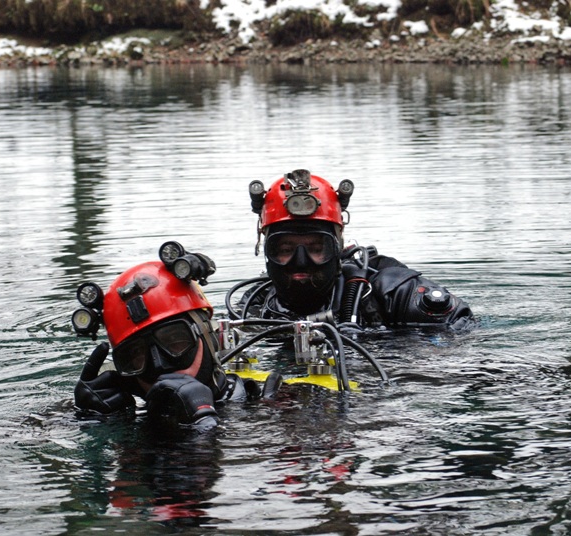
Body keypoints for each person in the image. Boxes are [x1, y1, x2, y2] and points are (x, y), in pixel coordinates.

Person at [227, 169, 474, 329]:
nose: (300, 261)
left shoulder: (387, 292)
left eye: (315, 247)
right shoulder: (257, 305)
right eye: (285, 248)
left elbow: (466, 337)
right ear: (265, 248)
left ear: (338, 244)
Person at [71, 243, 255, 429]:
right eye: (137, 355)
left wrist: (204, 422)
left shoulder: (268, 405)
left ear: (209, 335)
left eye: (174, 341)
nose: (160, 365)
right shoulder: (127, 419)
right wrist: (87, 418)